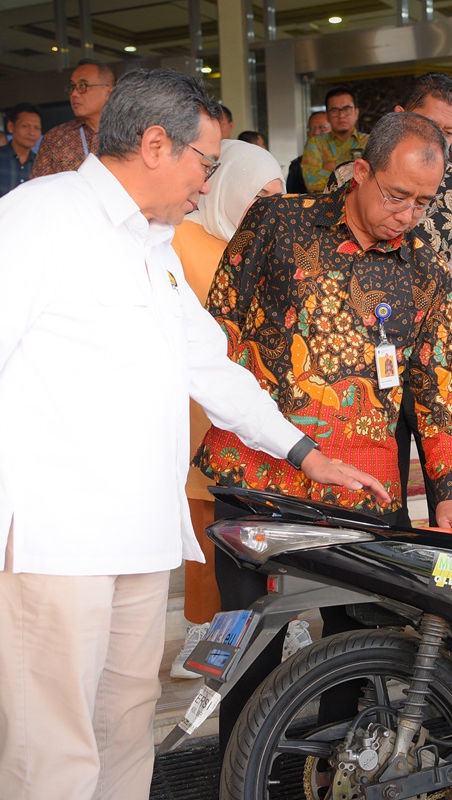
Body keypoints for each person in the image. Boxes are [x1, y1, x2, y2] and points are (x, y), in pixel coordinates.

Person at [0, 69, 385, 799]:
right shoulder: (39, 218)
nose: (209, 181)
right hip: (48, 537)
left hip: (133, 535)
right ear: (156, 144)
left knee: (124, 729)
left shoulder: (154, 244)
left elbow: (211, 367)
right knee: (52, 749)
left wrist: (304, 451)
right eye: (208, 159)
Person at [198, 110, 452, 754]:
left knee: (358, 651)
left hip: (363, 492)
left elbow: (439, 392)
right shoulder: (278, 223)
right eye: (395, 195)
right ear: (359, 172)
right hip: (259, 478)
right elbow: (217, 335)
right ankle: (239, 773)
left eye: (423, 202)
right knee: (247, 648)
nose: (407, 214)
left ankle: (335, 775)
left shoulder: (427, 272)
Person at [326, 73, 452, 525]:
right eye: (427, 125)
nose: (437, 140)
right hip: (369, 360)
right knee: (374, 474)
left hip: (445, 359)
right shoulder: (350, 179)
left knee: (448, 479)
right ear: (399, 118)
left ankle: (445, 575)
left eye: (447, 132)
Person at [167, 139, 285, 679]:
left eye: (276, 196)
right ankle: (204, 628)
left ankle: (269, 622)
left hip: (261, 398)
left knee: (261, 517)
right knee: (205, 512)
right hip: (201, 399)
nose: (268, 208)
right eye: (258, 195)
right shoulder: (184, 240)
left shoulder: (272, 241)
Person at [31, 58, 114, 177]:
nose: (74, 94)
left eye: (83, 85)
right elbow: (39, 189)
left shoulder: (133, 135)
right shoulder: (56, 139)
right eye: (72, 87)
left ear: (108, 92)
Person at [301, 86, 369, 192]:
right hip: (324, 207)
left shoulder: (370, 142)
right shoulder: (315, 143)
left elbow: (373, 180)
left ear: (356, 113)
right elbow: (312, 183)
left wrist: (334, 166)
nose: (341, 115)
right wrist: (353, 172)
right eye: (334, 110)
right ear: (327, 116)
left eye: (346, 109)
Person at [0, 103, 41, 202]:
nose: (32, 133)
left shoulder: (40, 162)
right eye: (25, 126)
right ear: (11, 127)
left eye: (36, 128)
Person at [286, 110, 330, 194]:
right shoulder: (296, 166)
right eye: (311, 128)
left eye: (322, 127)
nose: (316, 133)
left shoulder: (347, 156)